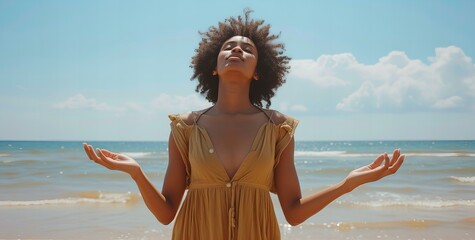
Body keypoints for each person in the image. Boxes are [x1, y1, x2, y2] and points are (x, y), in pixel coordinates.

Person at [83, 9, 405, 240]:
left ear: (258, 71)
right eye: (228, 47)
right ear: (214, 67)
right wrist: (136, 173)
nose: (237, 49)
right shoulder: (185, 128)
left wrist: (347, 185)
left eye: (247, 49)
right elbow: (167, 213)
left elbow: (292, 211)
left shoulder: (278, 129)